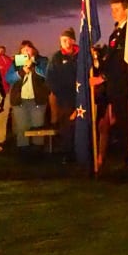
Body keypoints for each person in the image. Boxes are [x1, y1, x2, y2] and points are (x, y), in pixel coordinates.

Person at [94, 0, 128, 169]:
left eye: (117, 9)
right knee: (117, 125)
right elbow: (110, 60)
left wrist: (103, 78)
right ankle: (123, 158)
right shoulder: (115, 33)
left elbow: (121, 62)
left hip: (124, 85)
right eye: (111, 9)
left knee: (126, 123)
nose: (113, 13)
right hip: (113, 88)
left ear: (126, 10)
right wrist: (97, 62)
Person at [6, 40, 50, 151]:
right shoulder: (16, 63)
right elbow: (9, 78)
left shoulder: (42, 61)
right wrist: (22, 71)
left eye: (28, 48)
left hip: (37, 101)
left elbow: (46, 74)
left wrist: (33, 66)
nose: (26, 51)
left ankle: (37, 152)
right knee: (22, 128)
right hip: (20, 101)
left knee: (37, 126)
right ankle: (23, 152)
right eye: (23, 49)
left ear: (33, 50)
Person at [46, 28, 79, 161]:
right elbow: (50, 77)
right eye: (61, 40)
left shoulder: (81, 55)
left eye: (66, 40)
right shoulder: (56, 57)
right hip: (64, 97)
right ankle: (67, 153)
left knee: (80, 124)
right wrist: (57, 91)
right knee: (66, 126)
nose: (63, 43)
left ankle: (82, 152)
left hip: (80, 95)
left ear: (72, 40)